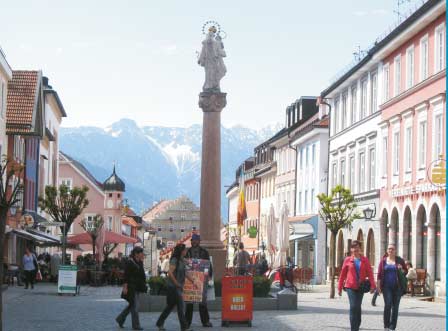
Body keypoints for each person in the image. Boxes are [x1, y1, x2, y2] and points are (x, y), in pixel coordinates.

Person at [338, 240, 376, 331]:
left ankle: (357, 325)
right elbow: (342, 274)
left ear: (360, 248)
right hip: (350, 286)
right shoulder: (347, 260)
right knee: (353, 306)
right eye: (353, 247)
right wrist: (339, 287)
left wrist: (373, 286)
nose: (355, 249)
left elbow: (370, 273)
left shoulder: (365, 260)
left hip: (361, 286)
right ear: (351, 249)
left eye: (357, 247)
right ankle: (353, 329)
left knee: (358, 307)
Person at [156, 244, 195, 331]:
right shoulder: (174, 260)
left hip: (178, 287)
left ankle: (159, 323)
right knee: (181, 308)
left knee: (169, 307)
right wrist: (176, 283)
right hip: (173, 288)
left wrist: (192, 280)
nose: (186, 252)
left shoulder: (182, 260)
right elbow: (170, 273)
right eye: (185, 250)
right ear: (181, 251)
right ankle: (184, 327)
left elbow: (185, 272)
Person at [376, 244, 407, 331]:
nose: (391, 250)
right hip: (386, 287)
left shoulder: (400, 260)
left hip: (397, 287)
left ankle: (392, 327)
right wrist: (378, 286)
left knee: (395, 307)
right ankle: (386, 326)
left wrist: (401, 269)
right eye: (389, 249)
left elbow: (406, 271)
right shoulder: (383, 261)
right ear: (387, 250)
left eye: (392, 249)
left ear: (395, 250)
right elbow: (379, 275)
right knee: (388, 305)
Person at [185, 234, 213, 328]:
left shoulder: (204, 252)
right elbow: (184, 264)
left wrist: (208, 276)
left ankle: (205, 321)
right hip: (189, 279)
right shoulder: (187, 252)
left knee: (202, 302)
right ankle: (187, 322)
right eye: (193, 240)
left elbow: (208, 265)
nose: (194, 242)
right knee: (189, 302)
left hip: (201, 279)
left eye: (196, 240)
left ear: (199, 241)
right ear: (191, 241)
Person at [115, 247, 147, 330]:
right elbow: (126, 276)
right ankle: (136, 325)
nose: (142, 254)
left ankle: (120, 319)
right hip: (131, 287)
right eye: (141, 253)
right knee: (135, 306)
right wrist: (125, 287)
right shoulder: (130, 262)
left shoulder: (140, 262)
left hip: (138, 286)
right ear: (136, 254)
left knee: (132, 305)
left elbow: (141, 275)